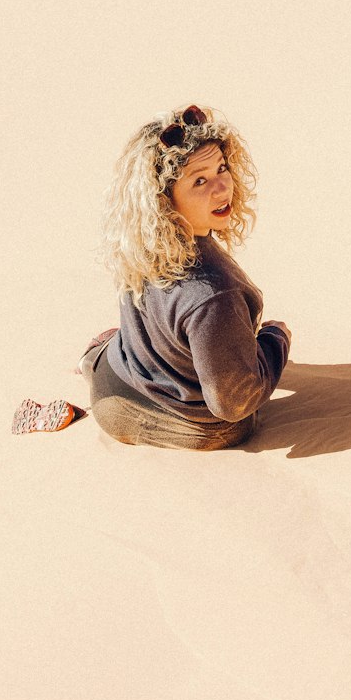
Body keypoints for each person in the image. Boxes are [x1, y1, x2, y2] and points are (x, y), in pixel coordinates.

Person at [72, 104, 291, 450]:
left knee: (133, 337)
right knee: (236, 422)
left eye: (222, 168)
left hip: (113, 385)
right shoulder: (212, 294)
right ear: (165, 199)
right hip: (193, 426)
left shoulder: (142, 242)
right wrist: (275, 342)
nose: (221, 188)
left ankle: (95, 360)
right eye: (199, 180)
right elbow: (233, 403)